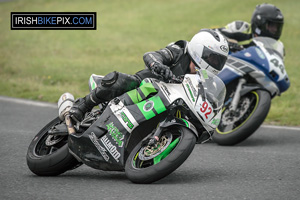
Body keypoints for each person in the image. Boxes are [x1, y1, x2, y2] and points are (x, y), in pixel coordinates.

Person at [69, 29, 229, 121]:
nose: (214, 63)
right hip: (143, 86)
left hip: (165, 107)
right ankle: (82, 105)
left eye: (218, 61)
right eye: (212, 57)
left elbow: (207, 100)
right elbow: (152, 55)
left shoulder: (204, 79)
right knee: (120, 80)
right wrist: (158, 66)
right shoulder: (180, 51)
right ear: (199, 49)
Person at [215, 3, 284, 51]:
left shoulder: (277, 47)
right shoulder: (240, 28)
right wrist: (228, 43)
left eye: (277, 26)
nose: (275, 29)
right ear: (260, 23)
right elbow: (213, 35)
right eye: (271, 25)